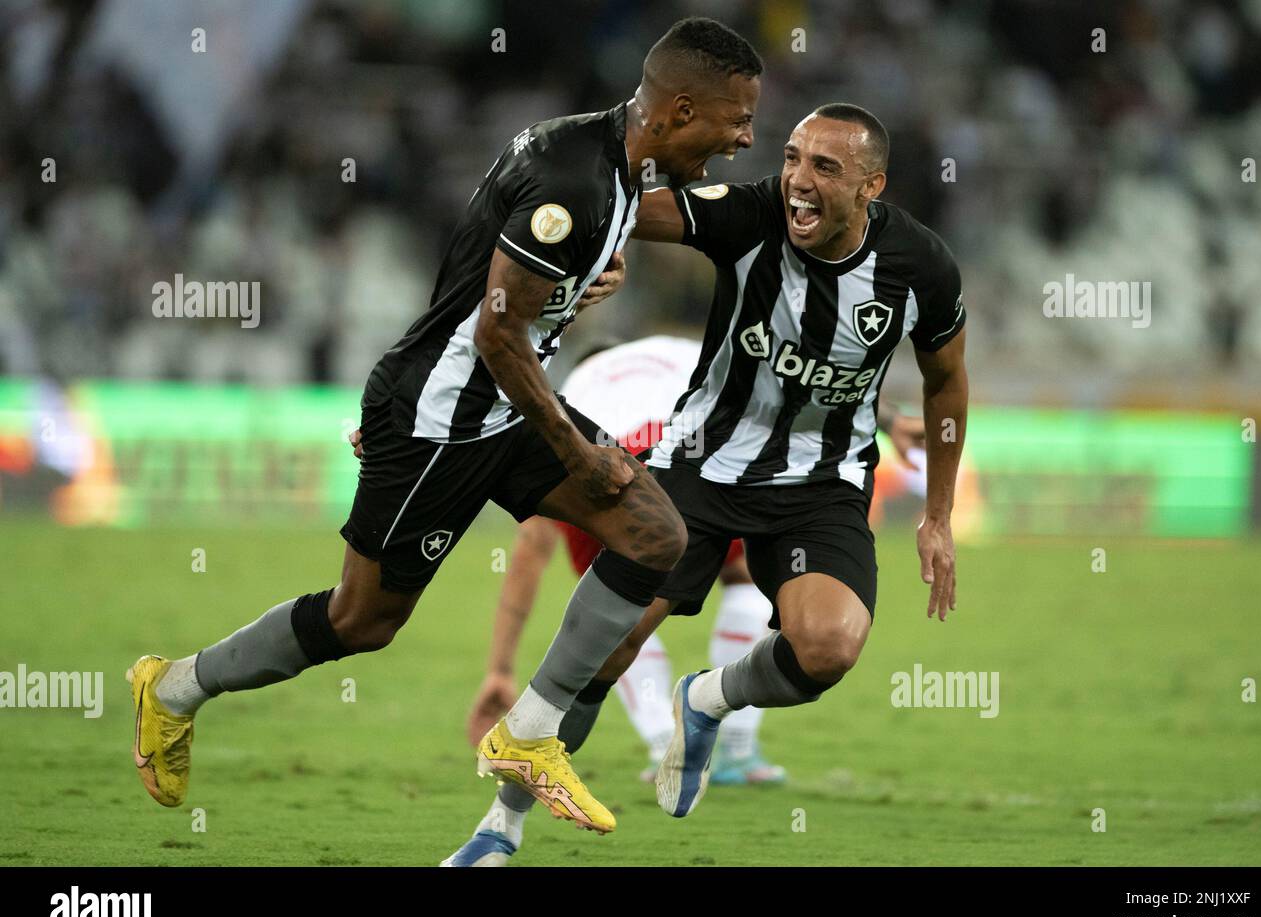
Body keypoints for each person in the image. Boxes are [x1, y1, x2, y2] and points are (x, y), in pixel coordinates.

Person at [126, 18, 763, 840]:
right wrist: (571, 448)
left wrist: (578, 290)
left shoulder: (610, 166)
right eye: (736, 119)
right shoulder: (577, 177)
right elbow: (497, 333)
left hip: (499, 404)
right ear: (679, 109)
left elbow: (494, 285)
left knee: (652, 532)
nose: (744, 138)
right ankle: (174, 688)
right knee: (364, 622)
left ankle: (530, 733)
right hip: (443, 419)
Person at [445, 102, 967, 864]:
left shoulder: (920, 267)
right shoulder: (749, 215)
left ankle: (707, 699)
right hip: (700, 465)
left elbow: (947, 379)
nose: (797, 179)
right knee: (605, 651)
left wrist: (939, 516)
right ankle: (500, 828)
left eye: (826, 167)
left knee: (827, 648)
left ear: (872, 186)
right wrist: (591, 243)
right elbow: (625, 208)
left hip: (821, 484)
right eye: (791, 158)